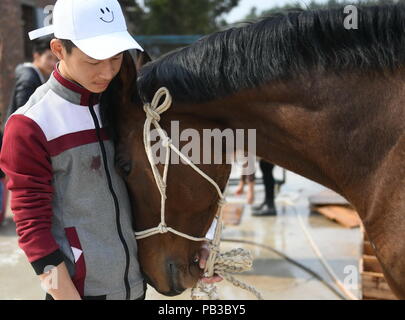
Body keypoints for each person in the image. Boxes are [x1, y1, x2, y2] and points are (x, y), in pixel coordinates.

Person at [0, 0, 220, 300]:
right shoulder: (31, 124)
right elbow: (32, 232)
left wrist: (198, 241)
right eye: (94, 61)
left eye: (116, 58)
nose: (106, 72)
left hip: (135, 289)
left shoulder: (122, 106)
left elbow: (159, 187)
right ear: (59, 49)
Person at [6, 36, 58, 120]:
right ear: (36, 56)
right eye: (49, 58)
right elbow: (24, 113)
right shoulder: (29, 79)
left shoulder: (33, 75)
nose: (53, 63)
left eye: (56, 59)